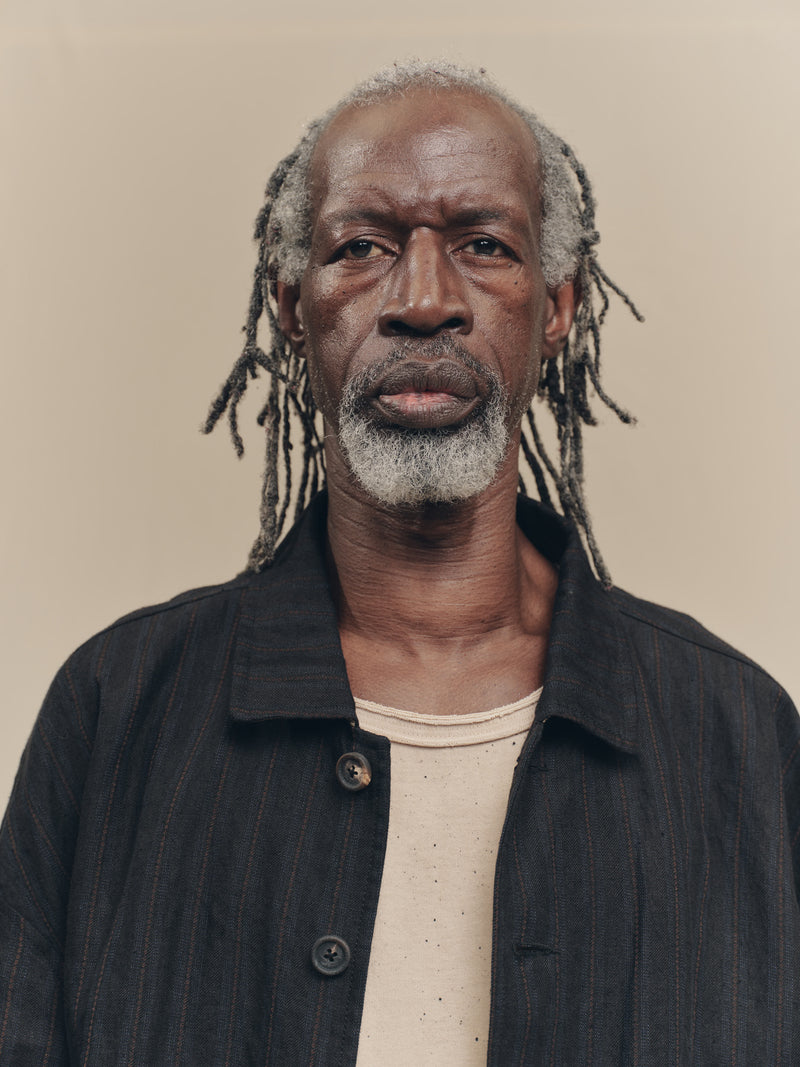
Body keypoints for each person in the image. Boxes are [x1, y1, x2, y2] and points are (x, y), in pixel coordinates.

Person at [1, 60, 798, 1066]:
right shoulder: (117, 709)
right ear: (293, 306)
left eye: (483, 244)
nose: (423, 301)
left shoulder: (737, 738)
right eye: (362, 247)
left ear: (556, 307)